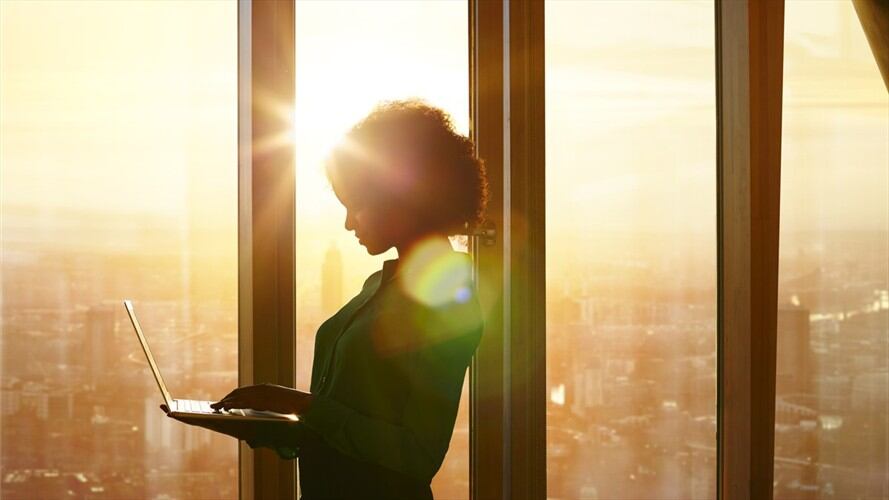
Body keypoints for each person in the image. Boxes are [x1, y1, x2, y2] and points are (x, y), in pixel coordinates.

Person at [169, 100, 488, 499]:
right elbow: (348, 422)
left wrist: (300, 405)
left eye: (356, 206)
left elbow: (416, 453)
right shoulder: (380, 285)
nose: (349, 223)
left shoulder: (446, 300)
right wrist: (262, 421)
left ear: (402, 197)